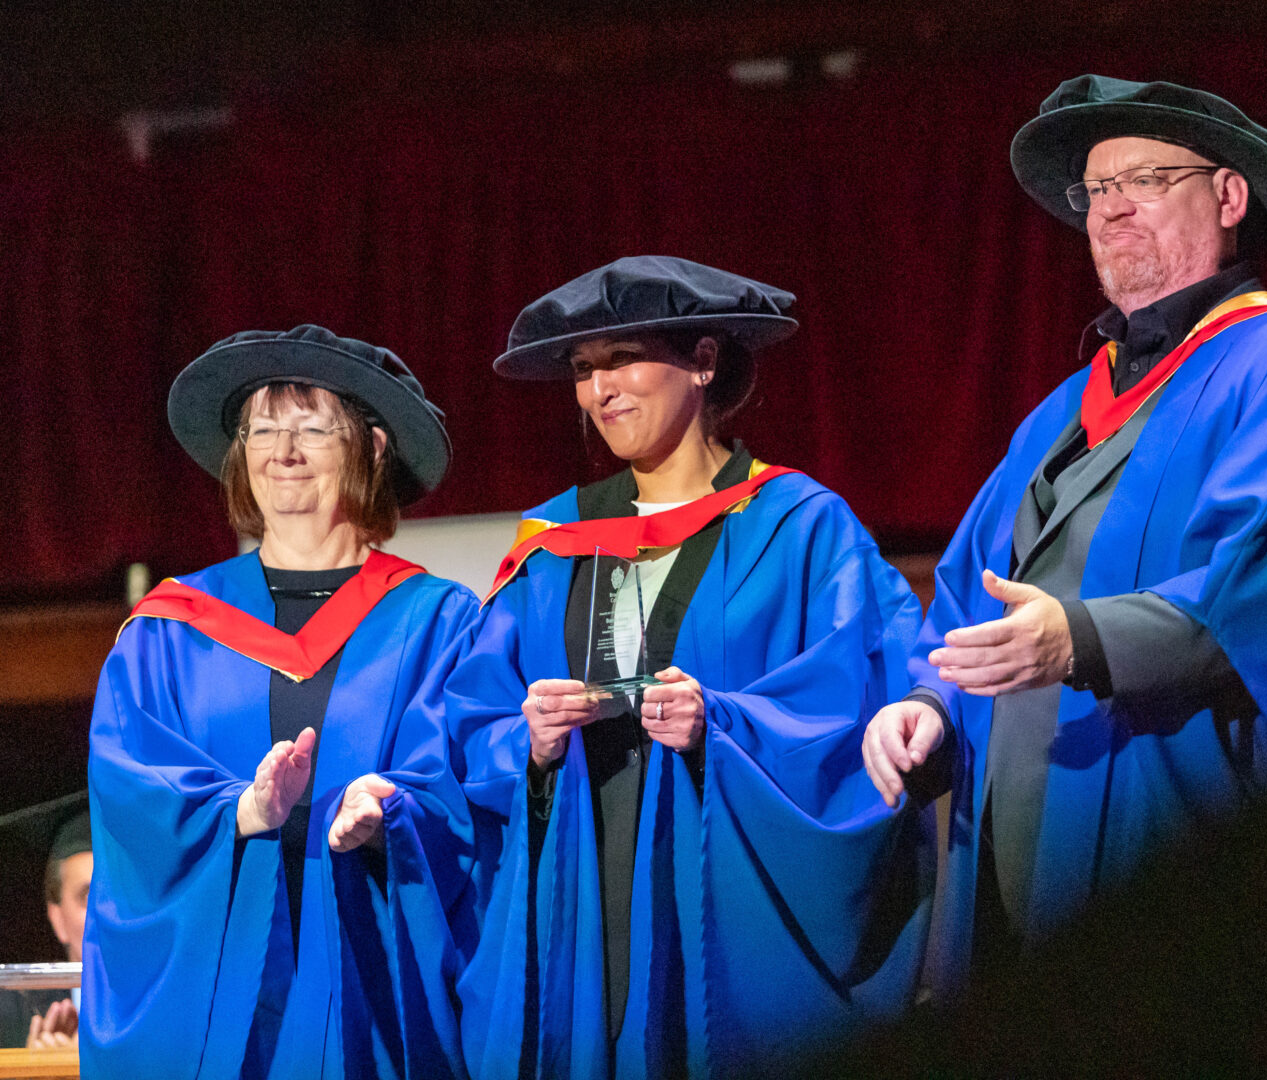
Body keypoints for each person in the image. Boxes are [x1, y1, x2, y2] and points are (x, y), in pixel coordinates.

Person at [861, 76, 1267, 989]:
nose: (1109, 211)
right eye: (1095, 192)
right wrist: (930, 703)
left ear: (1227, 197)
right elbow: (964, 591)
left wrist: (1083, 637)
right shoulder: (1063, 412)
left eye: (1143, 178)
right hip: (1017, 838)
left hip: (1183, 824)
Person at [413, 256, 932, 1078]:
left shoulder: (801, 526)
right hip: (582, 895)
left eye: (622, 359)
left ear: (703, 359)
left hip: (724, 894)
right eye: (583, 370)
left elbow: (870, 698)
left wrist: (720, 723)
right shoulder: (551, 544)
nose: (598, 391)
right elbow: (468, 723)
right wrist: (532, 739)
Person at [82, 326, 480, 1078]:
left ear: (372, 446)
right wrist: (243, 811)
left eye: (310, 429)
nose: (281, 452)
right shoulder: (171, 629)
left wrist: (391, 811)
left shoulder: (438, 620)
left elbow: (468, 779)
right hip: (218, 977)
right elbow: (129, 781)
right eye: (260, 429)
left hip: (370, 967)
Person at [0, 791, 91, 1050]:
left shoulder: (172, 1007)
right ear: (58, 918)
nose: (103, 914)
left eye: (115, 896)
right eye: (87, 896)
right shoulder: (9, 1018)